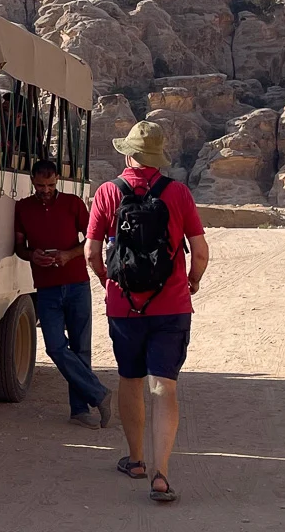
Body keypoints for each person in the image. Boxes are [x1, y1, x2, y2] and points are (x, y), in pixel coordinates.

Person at [84, 122, 209, 503]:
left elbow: (90, 252)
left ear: (128, 154)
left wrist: (109, 279)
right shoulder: (178, 193)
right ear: (158, 157)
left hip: (124, 305)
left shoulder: (108, 192)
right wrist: (193, 280)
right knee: (163, 387)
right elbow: (200, 251)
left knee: (130, 380)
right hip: (171, 304)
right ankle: (161, 475)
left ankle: (135, 460)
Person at [14, 161, 111, 429]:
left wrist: (68, 255)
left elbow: (92, 239)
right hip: (45, 287)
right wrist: (31, 255)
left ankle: (80, 410)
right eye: (40, 186)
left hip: (77, 284)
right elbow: (19, 246)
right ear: (31, 181)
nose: (45, 190)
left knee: (81, 348)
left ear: (57, 180)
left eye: (50, 185)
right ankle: (99, 393)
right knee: (55, 346)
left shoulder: (73, 203)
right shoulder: (22, 208)